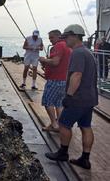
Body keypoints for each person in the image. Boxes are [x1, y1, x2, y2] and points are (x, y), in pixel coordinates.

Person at [45, 24, 98, 170]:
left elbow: (77, 75)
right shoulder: (88, 52)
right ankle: (85, 159)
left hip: (78, 98)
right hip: (90, 98)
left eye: (66, 37)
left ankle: (63, 153)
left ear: (75, 36)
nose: (65, 40)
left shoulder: (78, 53)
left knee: (63, 124)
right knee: (85, 126)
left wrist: (69, 96)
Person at [39, 30, 71, 132]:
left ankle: (54, 124)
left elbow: (55, 62)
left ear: (58, 36)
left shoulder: (59, 46)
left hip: (55, 80)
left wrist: (43, 60)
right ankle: (60, 125)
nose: (51, 40)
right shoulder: (66, 46)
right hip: (63, 80)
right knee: (59, 104)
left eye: (52, 38)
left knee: (47, 101)